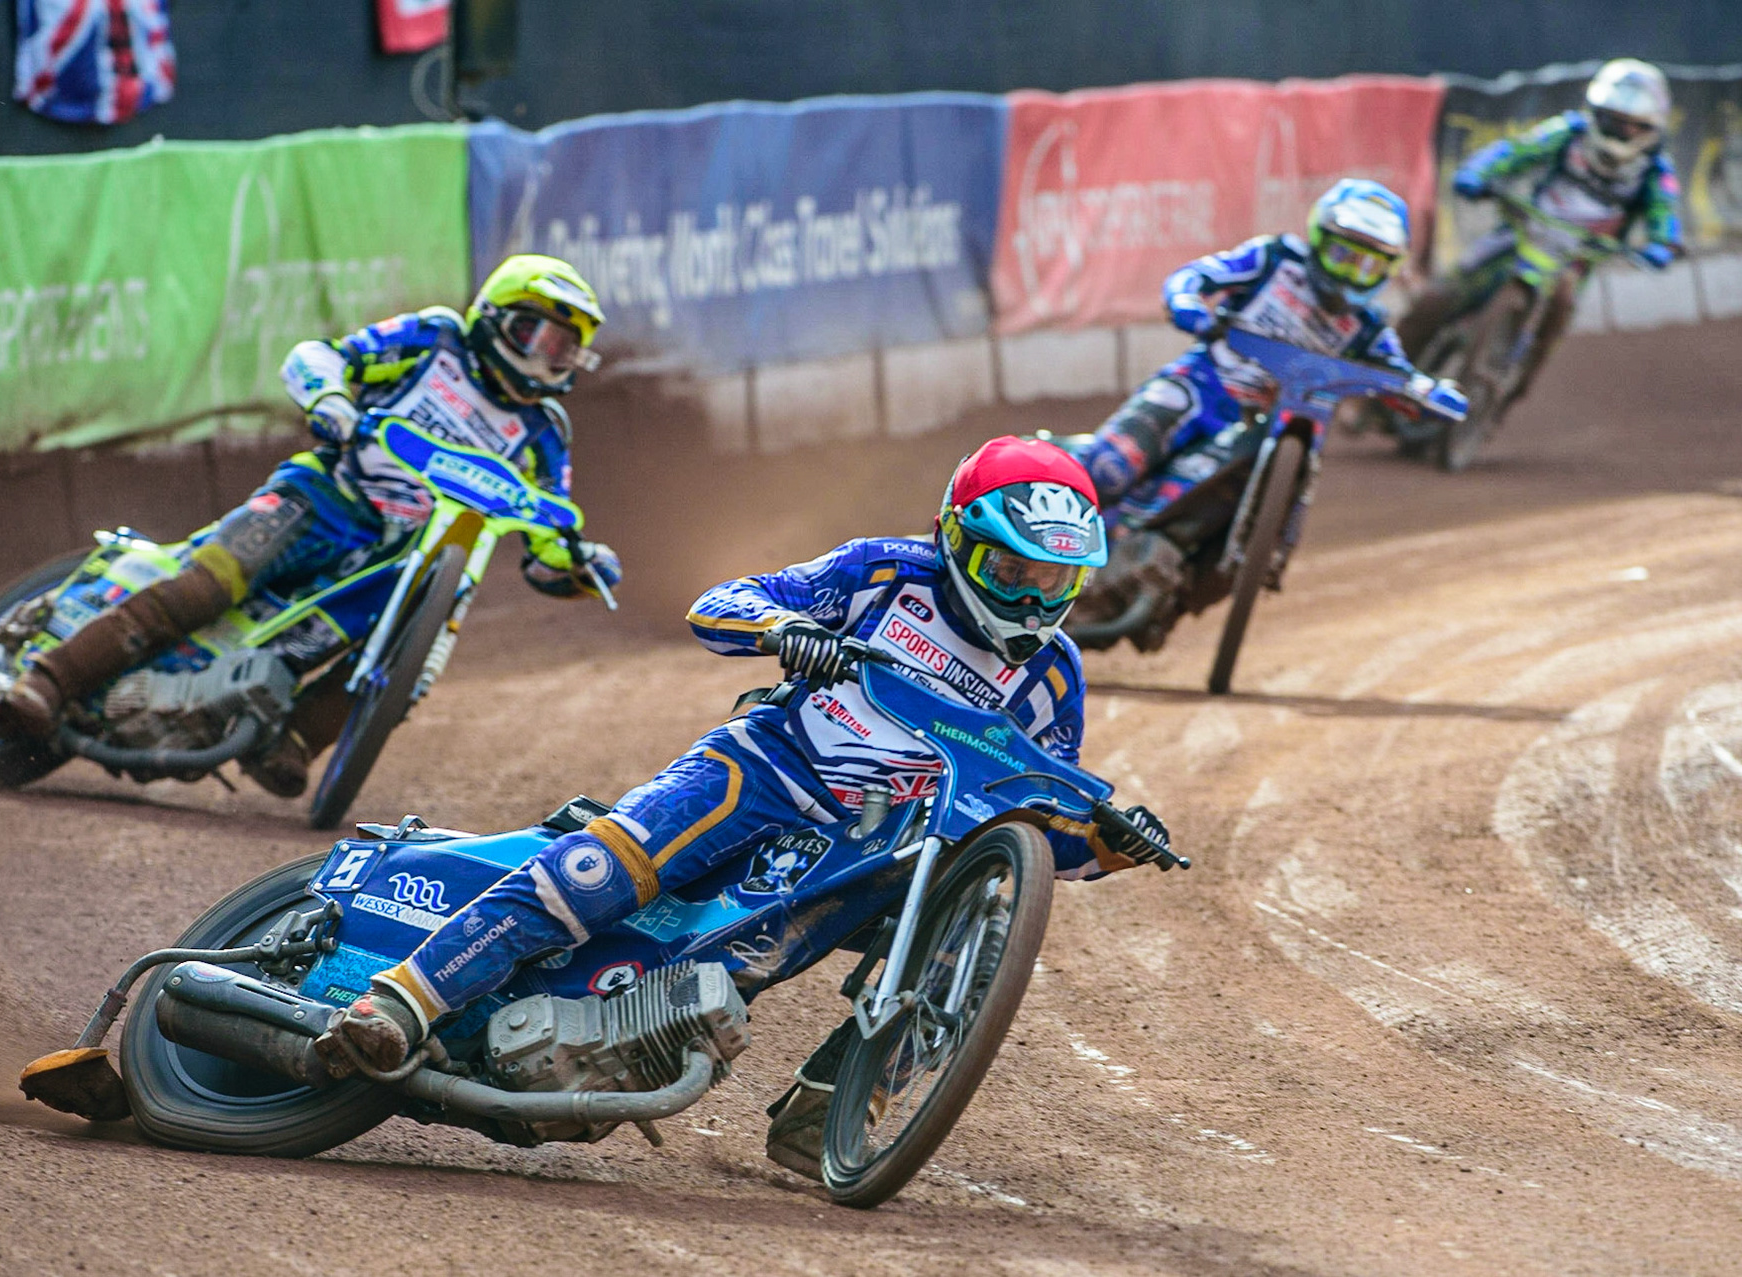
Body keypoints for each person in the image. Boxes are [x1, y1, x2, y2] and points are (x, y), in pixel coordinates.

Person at [315, 437, 1172, 1098]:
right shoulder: (881, 570)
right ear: (955, 538)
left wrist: (1106, 843)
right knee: (598, 871)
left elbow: (1040, 807)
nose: (1030, 597)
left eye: (1054, 576)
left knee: (960, 918)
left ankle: (835, 1107)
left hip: (870, 841)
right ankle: (400, 1000)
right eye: (1010, 570)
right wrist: (780, 628)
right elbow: (723, 601)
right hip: (765, 765)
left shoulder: (1054, 673)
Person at [0, 254, 622, 796]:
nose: (549, 358)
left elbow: (545, 528)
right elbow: (324, 356)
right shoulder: (435, 338)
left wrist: (574, 563)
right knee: (213, 582)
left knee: (414, 655)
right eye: (538, 335)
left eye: (566, 348)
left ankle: (293, 741)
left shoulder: (545, 434)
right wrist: (334, 401)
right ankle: (51, 679)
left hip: (406, 554)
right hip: (329, 494)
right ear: (496, 317)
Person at [1059, 179, 1439, 605]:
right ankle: (1030, 504)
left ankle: (1237, 559)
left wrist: (1429, 394)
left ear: (1387, 271)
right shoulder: (1274, 260)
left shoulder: (1369, 329)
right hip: (1199, 387)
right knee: (1110, 467)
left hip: (1269, 429)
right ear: (1318, 239)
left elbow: (1403, 375)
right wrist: (1188, 301)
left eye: (1367, 266)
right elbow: (1199, 276)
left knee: (1238, 495)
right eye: (1342, 256)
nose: (1351, 275)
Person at [1395, 58, 1684, 390]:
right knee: (1438, 296)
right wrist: (1479, 171)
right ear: (1597, 113)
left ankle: (1510, 392)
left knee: (1559, 310)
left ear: (1652, 128)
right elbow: (1516, 149)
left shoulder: (1657, 171)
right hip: (1522, 233)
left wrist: (1663, 244)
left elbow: (1665, 210)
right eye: (1616, 121)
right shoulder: (1569, 132)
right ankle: (1377, 387)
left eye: (1635, 125)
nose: (1624, 131)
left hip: (1577, 258)